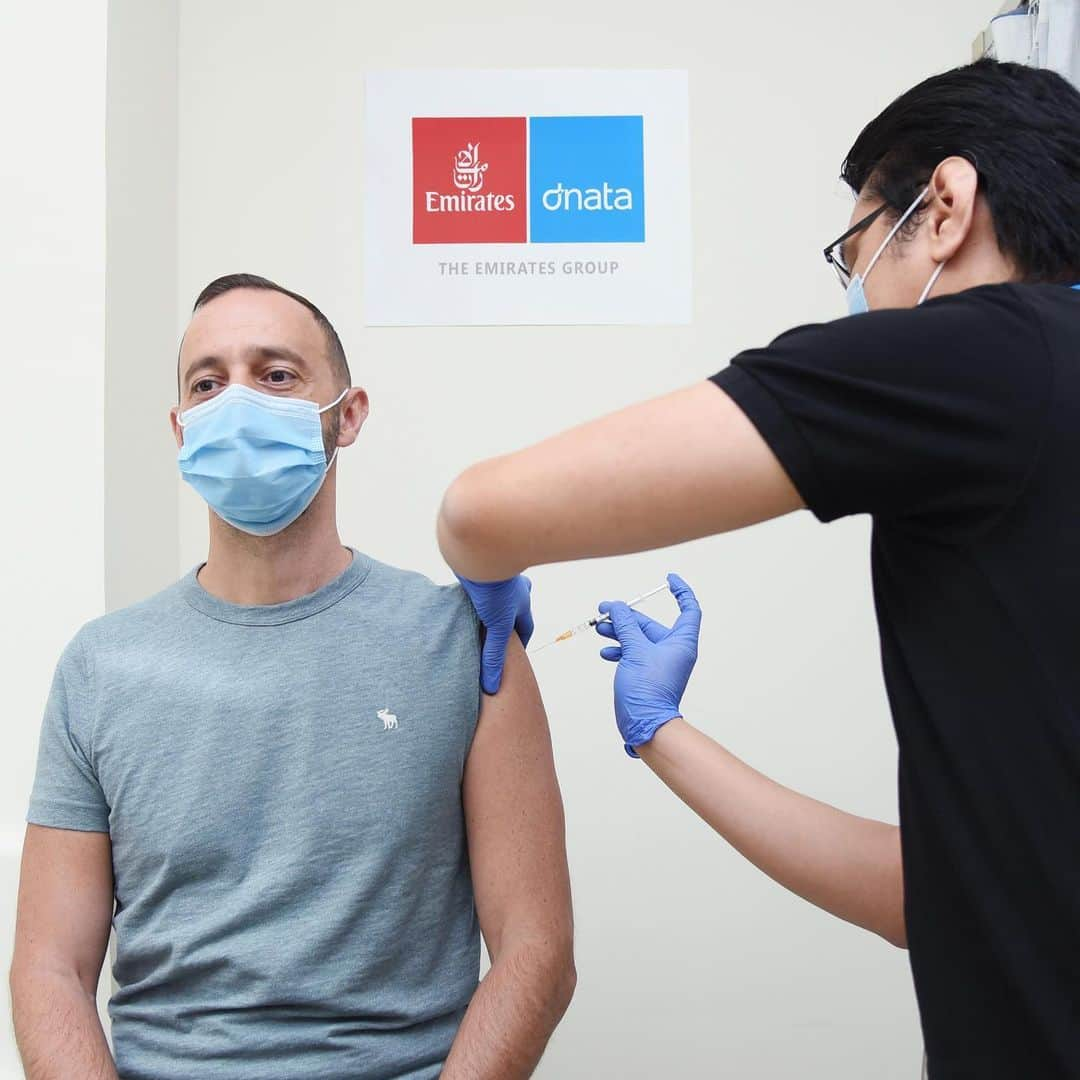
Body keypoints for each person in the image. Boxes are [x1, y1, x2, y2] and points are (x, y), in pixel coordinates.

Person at [440, 59, 1080, 1078]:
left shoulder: (991, 354)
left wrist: (484, 560)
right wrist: (666, 734)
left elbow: (482, 507)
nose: (857, 288)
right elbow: (936, 899)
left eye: (857, 246)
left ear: (946, 206)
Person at [10, 274, 575, 1080]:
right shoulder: (101, 668)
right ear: (181, 429)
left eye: (276, 375)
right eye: (209, 382)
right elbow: (48, 970)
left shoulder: (465, 643)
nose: (237, 402)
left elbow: (538, 951)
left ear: (347, 416)